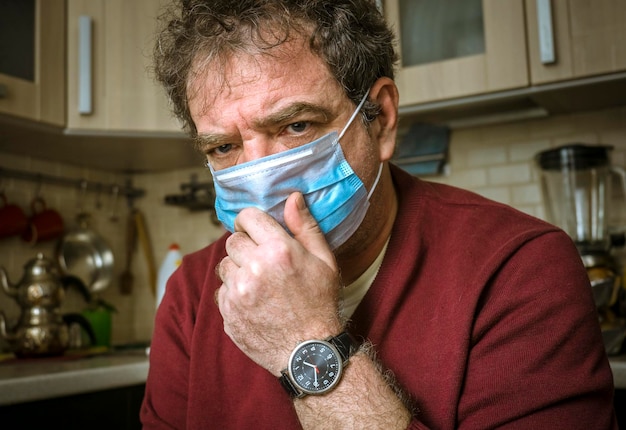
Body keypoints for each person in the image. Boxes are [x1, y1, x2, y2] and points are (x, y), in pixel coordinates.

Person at [141, 1, 617, 428]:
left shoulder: (520, 270)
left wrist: (303, 341)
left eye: (296, 125)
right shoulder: (192, 297)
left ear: (382, 119)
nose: (260, 178)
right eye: (223, 146)